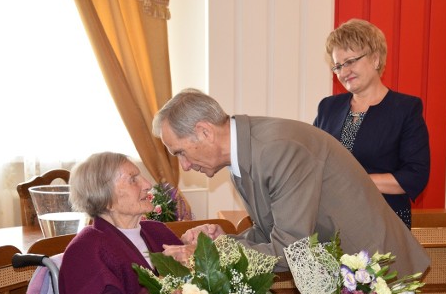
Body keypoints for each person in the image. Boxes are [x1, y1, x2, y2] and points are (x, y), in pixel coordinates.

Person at [152, 88, 431, 277]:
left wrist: (206, 255)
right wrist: (224, 241)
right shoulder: (243, 154)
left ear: (204, 132)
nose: (184, 165)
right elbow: (271, 233)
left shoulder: (277, 149)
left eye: (180, 152)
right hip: (340, 271)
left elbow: (288, 252)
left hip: (376, 270)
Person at [59, 152, 184, 294]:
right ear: (106, 198)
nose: (147, 184)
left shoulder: (157, 232)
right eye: (133, 179)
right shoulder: (85, 252)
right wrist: (165, 279)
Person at [313, 19, 430, 229]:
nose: (343, 71)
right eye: (338, 66)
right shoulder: (327, 108)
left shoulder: (405, 109)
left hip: (383, 223)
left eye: (350, 61)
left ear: (376, 59)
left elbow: (415, 176)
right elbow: (312, 161)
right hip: (331, 221)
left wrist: (355, 181)